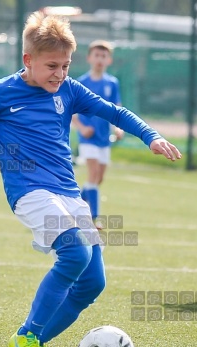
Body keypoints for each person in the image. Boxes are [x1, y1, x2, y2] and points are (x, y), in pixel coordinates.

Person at [0, 11, 182, 347]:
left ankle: (33, 344)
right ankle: (27, 336)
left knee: (93, 282)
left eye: (66, 65)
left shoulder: (69, 89)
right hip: (31, 192)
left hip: (68, 192)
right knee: (74, 254)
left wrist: (151, 136)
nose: (60, 74)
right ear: (27, 60)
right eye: (52, 66)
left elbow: (113, 111)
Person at [71, 40, 124, 227]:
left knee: (98, 178)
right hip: (87, 138)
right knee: (93, 174)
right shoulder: (81, 83)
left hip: (103, 139)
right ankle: (93, 218)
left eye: (104, 56)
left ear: (109, 60)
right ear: (89, 58)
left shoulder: (112, 83)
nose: (100, 59)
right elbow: (71, 112)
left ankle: (74, 205)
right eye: (97, 55)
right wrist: (82, 128)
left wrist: (118, 127)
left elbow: (117, 109)